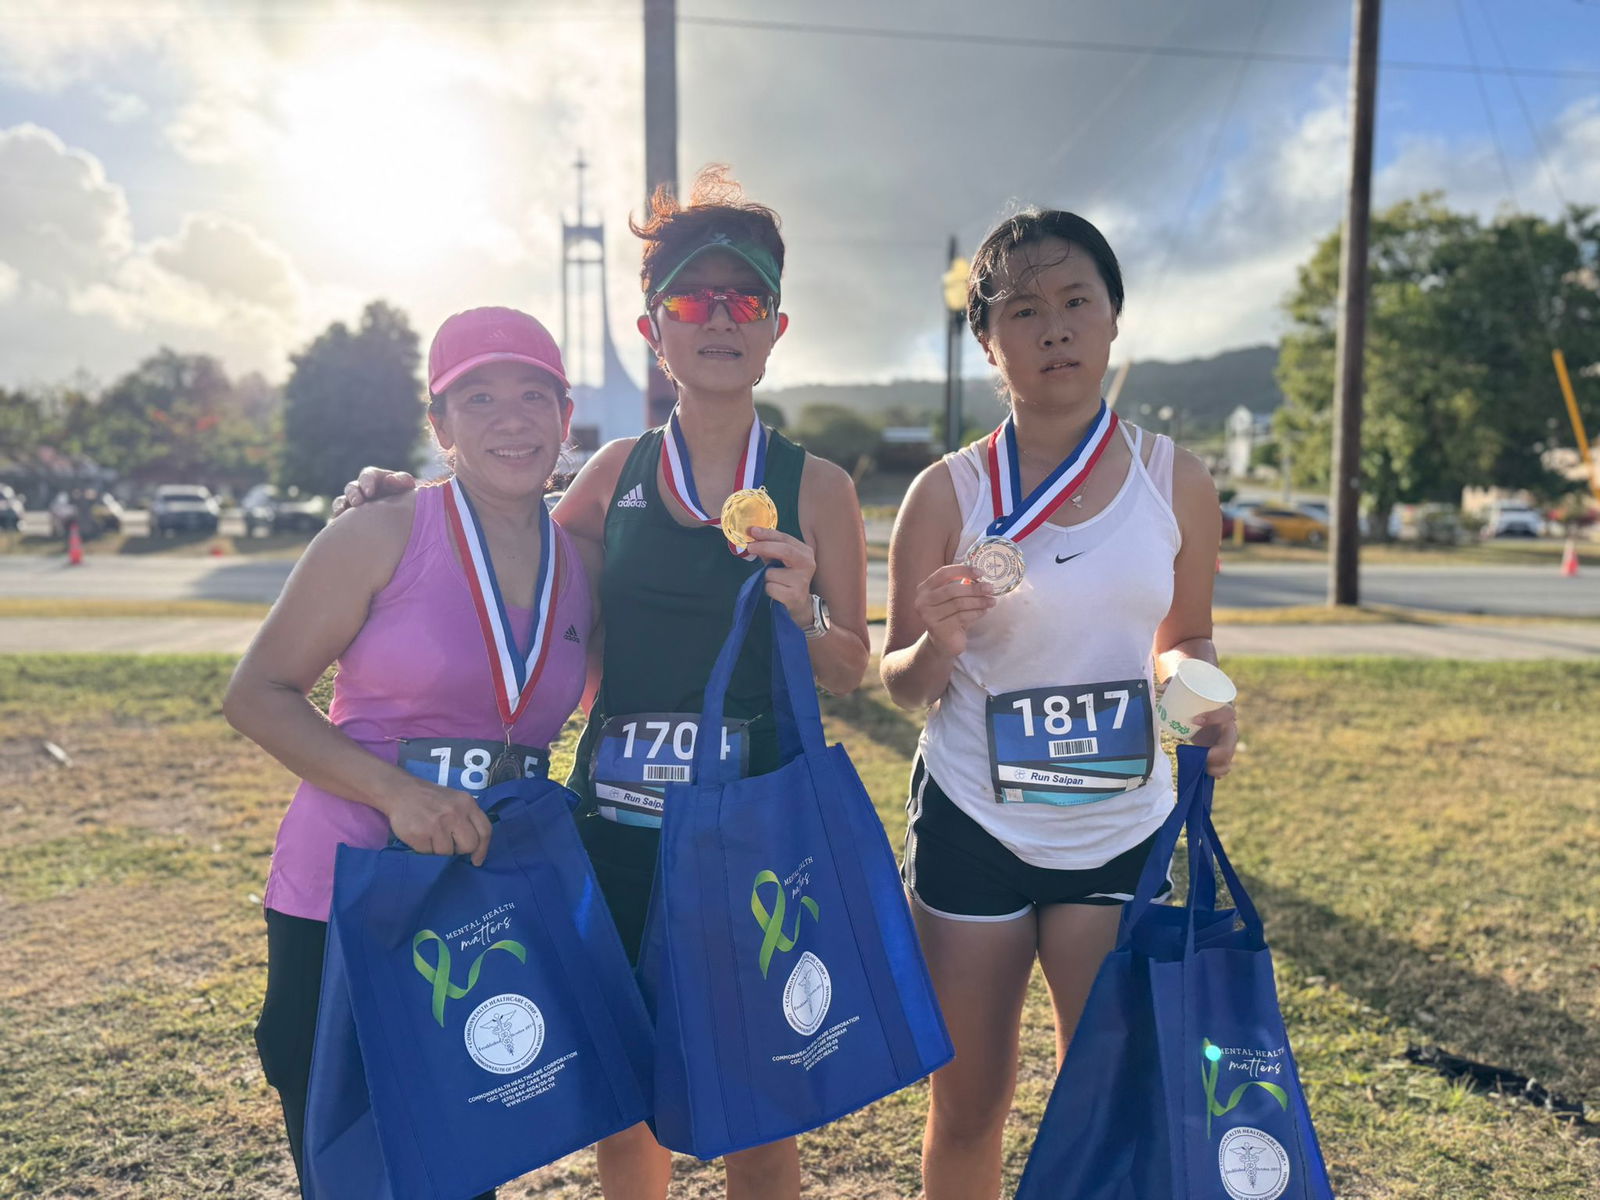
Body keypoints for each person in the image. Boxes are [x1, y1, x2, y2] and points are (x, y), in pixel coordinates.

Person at [334, 166, 870, 1200]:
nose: (717, 318)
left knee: (763, 1110)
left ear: (776, 324)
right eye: (689, 299)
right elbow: (503, 542)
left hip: (753, 844)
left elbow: (853, 668)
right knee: (627, 1100)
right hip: (616, 836)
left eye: (743, 298)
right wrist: (409, 501)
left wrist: (800, 615)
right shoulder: (615, 473)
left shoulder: (820, 486)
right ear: (650, 329)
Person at [880, 209, 1239, 1200]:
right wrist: (936, 642)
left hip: (1119, 822)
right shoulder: (944, 494)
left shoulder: (1179, 481)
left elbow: (1186, 642)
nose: (1054, 328)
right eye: (1023, 310)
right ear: (988, 344)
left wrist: (1205, 702)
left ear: (1113, 319)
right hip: (974, 822)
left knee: (1115, 1091)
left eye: (1077, 300)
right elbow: (901, 683)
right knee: (969, 1103)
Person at [223, 307, 595, 1197]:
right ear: (440, 426)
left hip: (482, 896)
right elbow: (257, 694)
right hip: (348, 892)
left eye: (532, 395)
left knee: (466, 1158)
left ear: (564, 413)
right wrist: (399, 796)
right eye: (479, 398)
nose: (511, 419)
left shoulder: (581, 562)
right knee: (357, 1167)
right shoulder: (382, 530)